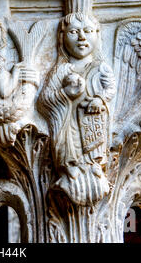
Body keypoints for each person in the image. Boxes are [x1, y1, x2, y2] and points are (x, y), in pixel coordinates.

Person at [38, 12, 116, 206]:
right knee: (67, 139)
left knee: (95, 141)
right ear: (62, 37)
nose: (82, 37)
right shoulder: (61, 69)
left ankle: (96, 166)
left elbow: (111, 88)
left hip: (92, 116)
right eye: (74, 32)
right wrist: (65, 94)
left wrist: (100, 99)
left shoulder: (101, 67)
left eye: (88, 31)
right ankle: (69, 166)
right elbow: (45, 99)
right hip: (68, 118)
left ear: (97, 35)